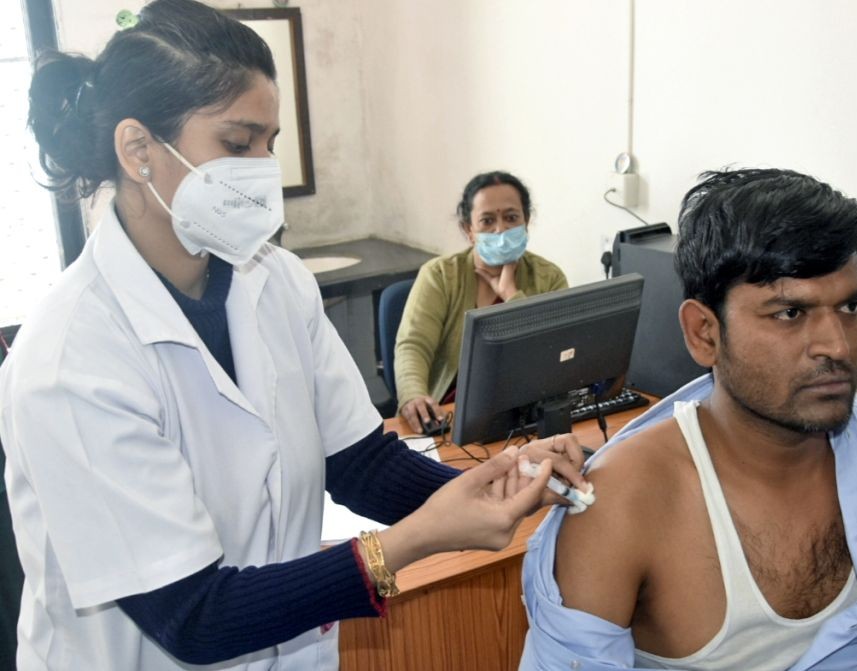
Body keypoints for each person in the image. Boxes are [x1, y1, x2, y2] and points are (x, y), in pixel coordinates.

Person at [0, 2, 589, 669]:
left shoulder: (274, 281)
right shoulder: (70, 357)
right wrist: (417, 539)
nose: (262, 167)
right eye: (237, 143)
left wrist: (502, 481)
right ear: (139, 150)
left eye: (270, 142)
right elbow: (193, 617)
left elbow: (359, 461)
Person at [519, 168, 857, 670]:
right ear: (704, 333)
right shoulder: (623, 505)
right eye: (789, 313)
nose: (837, 345)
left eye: (850, 306)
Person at [394, 171, 568, 433]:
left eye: (511, 218)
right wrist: (413, 394)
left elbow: (553, 356)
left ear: (526, 221)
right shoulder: (440, 275)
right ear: (469, 229)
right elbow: (413, 345)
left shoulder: (549, 277)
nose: (500, 229)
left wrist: (512, 297)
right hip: (447, 419)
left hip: (525, 418)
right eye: (487, 221)